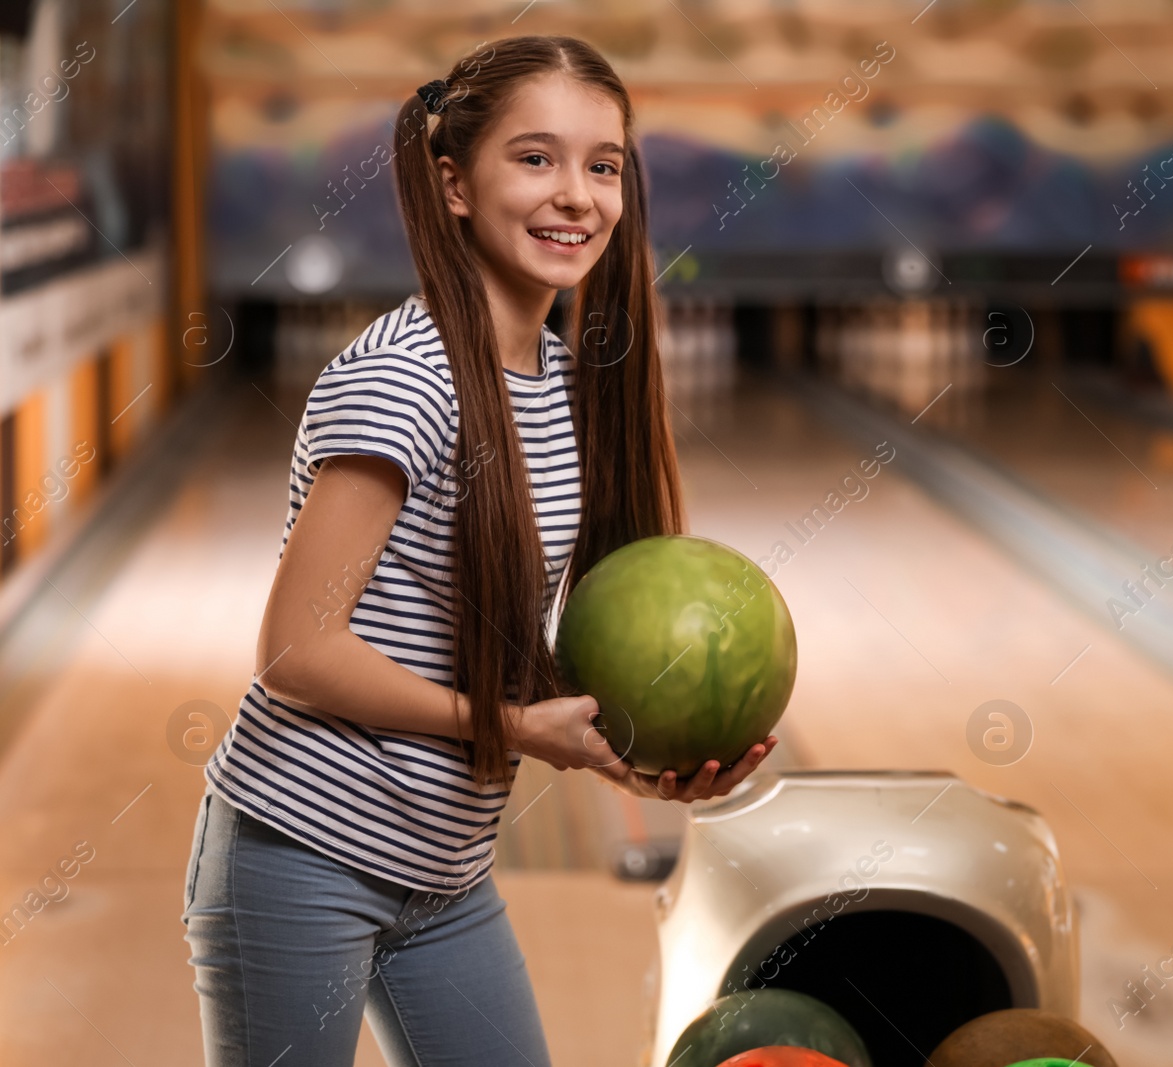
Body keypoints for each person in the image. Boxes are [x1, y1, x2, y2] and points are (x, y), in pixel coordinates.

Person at [182, 35, 777, 1067]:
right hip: (299, 855)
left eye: (603, 165)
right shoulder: (404, 380)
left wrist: (641, 753)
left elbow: (492, 634)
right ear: (453, 183)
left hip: (445, 868)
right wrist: (510, 725)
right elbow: (296, 650)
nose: (577, 196)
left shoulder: (558, 380)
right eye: (535, 158)